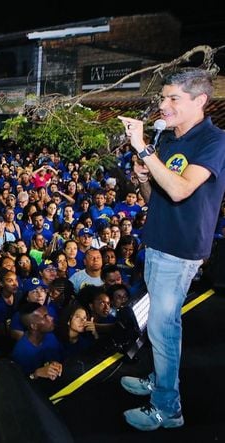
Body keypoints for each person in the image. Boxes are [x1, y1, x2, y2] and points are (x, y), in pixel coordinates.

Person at [118, 69, 225, 431]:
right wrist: (144, 177)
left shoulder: (213, 140)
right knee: (161, 328)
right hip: (159, 242)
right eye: (162, 98)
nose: (163, 105)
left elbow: (181, 191)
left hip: (180, 250)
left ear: (200, 101)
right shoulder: (170, 140)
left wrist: (144, 149)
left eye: (172, 99)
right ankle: (161, 381)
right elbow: (158, 200)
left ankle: (168, 407)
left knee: (164, 330)